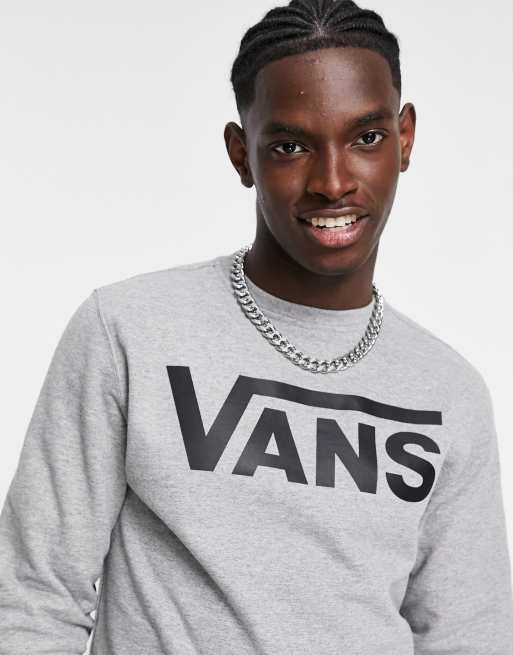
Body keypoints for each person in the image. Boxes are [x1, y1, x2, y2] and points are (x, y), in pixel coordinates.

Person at [1, 0, 512, 653]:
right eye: (290, 146)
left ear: (404, 138)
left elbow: (469, 635)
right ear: (241, 154)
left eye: (365, 138)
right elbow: (33, 597)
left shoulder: (448, 391)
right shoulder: (130, 330)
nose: (332, 182)